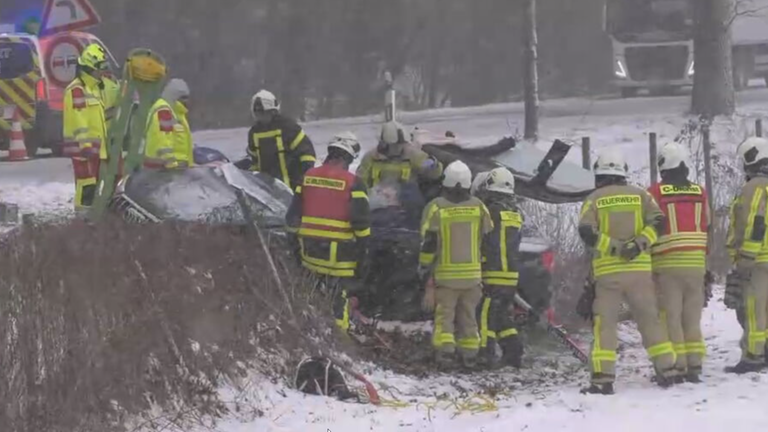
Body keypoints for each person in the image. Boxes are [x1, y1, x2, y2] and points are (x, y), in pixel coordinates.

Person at [578, 149, 676, 394]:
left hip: (608, 274)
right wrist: (638, 245)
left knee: (605, 325)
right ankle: (668, 370)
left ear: (599, 173)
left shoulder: (594, 198)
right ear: (622, 172)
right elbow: (659, 222)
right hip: (640, 271)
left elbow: (586, 232)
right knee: (649, 319)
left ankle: (602, 379)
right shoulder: (641, 195)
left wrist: (613, 247)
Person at [285, 132, 369, 332]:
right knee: (338, 300)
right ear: (349, 157)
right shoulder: (353, 183)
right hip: (339, 259)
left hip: (311, 254)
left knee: (314, 296)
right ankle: (340, 340)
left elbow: (292, 218)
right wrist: (363, 256)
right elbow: (361, 224)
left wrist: (296, 250)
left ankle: (314, 332)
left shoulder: (308, 177)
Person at [419, 161, 494, 370]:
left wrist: (424, 269)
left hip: (446, 279)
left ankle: (445, 357)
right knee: (469, 319)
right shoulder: (479, 207)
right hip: (473, 279)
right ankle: (470, 357)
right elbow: (489, 239)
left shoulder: (436, 207)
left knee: (445, 319)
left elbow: (428, 244)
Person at [648, 143, 709, 383]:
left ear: (663, 165)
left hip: (667, 263)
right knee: (692, 316)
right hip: (696, 262)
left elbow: (650, 227)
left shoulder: (655, 192)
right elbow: (707, 224)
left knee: (670, 316)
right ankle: (695, 363)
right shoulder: (700, 191)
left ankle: (677, 366)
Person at [471, 167, 525, 368]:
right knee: (502, 314)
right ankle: (514, 351)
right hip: (510, 274)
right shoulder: (516, 213)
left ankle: (485, 353)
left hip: (492, 272)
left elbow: (481, 237)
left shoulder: (490, 211)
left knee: (484, 315)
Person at [724, 137, 768, 374]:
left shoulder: (755, 186)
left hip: (759, 259)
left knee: (753, 310)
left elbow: (754, 221)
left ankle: (753, 356)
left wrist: (746, 258)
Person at [62, 43, 110, 214]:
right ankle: (83, 220)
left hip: (94, 151)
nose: (102, 72)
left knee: (93, 186)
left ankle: (91, 218)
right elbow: (79, 120)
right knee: (86, 186)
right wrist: (85, 146)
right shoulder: (77, 90)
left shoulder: (92, 88)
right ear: (90, 67)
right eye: (100, 68)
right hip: (84, 151)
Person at [247, 89, 316, 190]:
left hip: (293, 187)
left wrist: (302, 178)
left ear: (272, 111)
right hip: (268, 189)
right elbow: (254, 161)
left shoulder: (289, 128)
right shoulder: (254, 132)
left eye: (262, 113)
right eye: (257, 113)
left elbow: (307, 154)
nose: (259, 117)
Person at [357, 121, 443, 191]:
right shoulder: (371, 157)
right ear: (384, 144)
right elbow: (360, 182)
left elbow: (435, 174)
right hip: (378, 200)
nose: (398, 148)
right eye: (395, 145)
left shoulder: (412, 155)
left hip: (406, 202)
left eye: (401, 144)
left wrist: (433, 166)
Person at [144, 79, 194, 169]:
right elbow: (163, 140)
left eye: (187, 98)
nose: (187, 101)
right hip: (165, 171)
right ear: (174, 96)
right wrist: (169, 164)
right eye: (183, 97)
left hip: (177, 170)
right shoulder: (164, 111)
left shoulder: (177, 113)